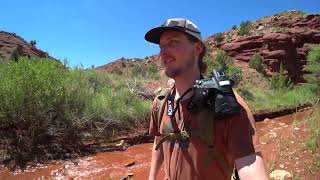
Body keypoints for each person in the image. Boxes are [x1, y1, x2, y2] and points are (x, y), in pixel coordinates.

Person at [145, 18, 268, 180]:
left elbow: (250, 166)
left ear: (197, 48)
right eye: (161, 46)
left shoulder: (225, 103)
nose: (163, 52)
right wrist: (152, 177)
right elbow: (159, 141)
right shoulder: (160, 102)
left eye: (172, 42)